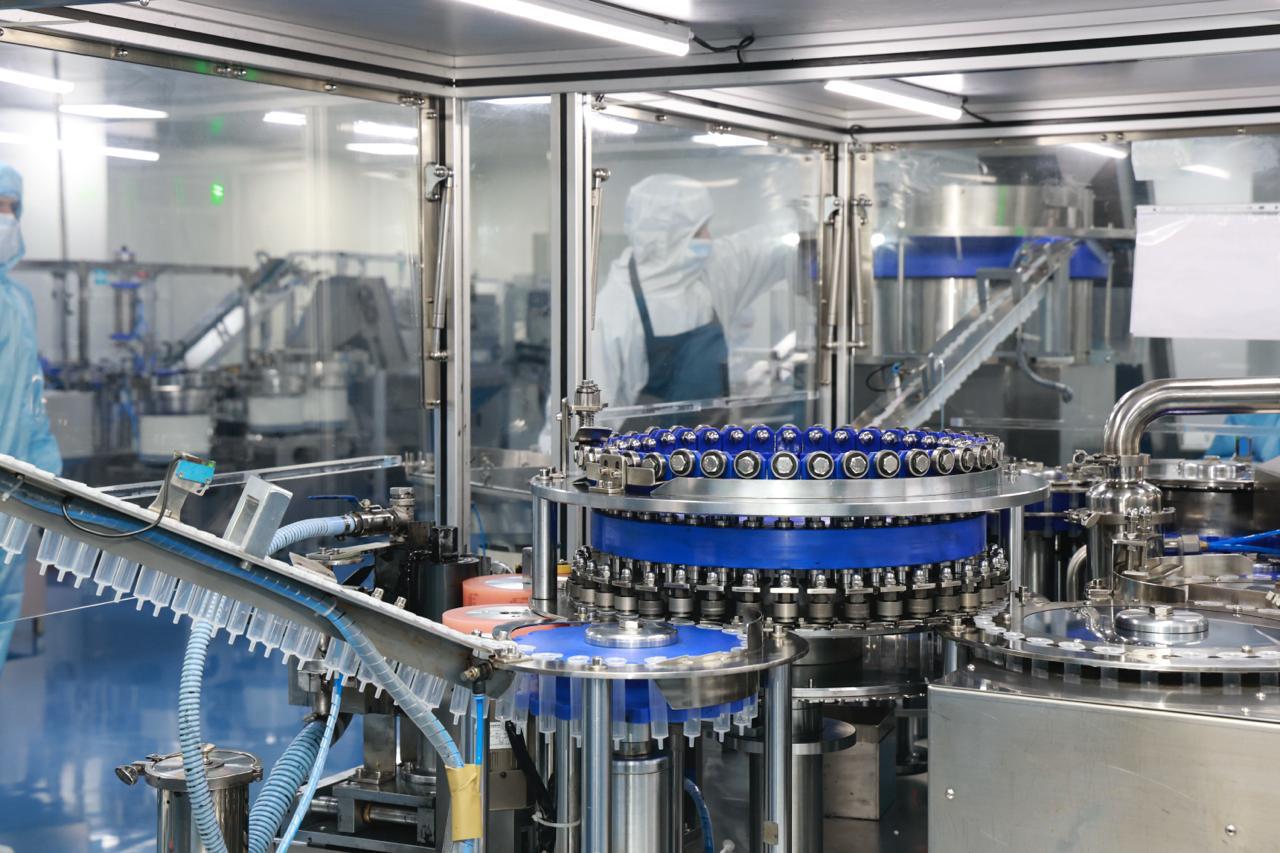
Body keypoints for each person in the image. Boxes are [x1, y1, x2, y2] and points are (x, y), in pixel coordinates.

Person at [592, 173, 801, 408]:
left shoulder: (709, 273)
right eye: (699, 232)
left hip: (711, 430)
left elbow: (762, 248)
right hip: (645, 434)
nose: (708, 239)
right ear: (670, 240)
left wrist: (806, 222)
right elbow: (595, 412)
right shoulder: (612, 312)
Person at [0, 163, 62, 670]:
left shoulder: (18, 301)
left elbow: (30, 399)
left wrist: (46, 470)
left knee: (4, 603)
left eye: (10, 209)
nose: (4, 219)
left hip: (10, 496)